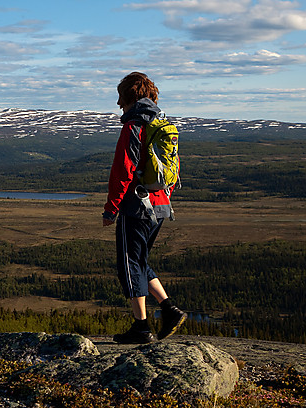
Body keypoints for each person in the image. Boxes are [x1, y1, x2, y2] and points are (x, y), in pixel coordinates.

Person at [102, 72, 186, 344]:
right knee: (140, 261)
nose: (118, 105)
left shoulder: (134, 126)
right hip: (160, 204)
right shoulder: (162, 124)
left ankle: (141, 327)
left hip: (136, 206)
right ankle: (169, 310)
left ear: (129, 97)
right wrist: (162, 196)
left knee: (129, 263)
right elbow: (174, 168)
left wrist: (111, 208)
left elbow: (123, 170)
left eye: (120, 98)